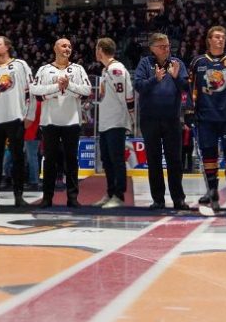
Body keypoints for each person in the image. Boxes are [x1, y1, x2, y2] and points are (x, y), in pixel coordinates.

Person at [186, 26, 226, 211]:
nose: (220, 40)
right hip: (206, 117)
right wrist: (189, 110)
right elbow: (191, 88)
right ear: (209, 39)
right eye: (216, 37)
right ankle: (212, 190)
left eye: (223, 37)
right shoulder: (197, 62)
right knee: (209, 155)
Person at [32, 38, 91, 208]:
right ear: (55, 48)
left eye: (70, 46)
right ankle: (47, 198)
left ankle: (72, 198)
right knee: (49, 160)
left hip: (72, 122)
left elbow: (87, 90)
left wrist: (69, 85)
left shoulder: (78, 69)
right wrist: (57, 88)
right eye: (64, 45)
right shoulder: (44, 69)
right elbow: (36, 90)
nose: (68, 48)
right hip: (49, 122)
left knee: (71, 161)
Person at [133, 33, 190, 210]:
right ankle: (158, 199)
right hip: (149, 119)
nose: (166, 49)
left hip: (172, 119)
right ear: (152, 48)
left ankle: (178, 198)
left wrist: (175, 76)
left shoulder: (177, 64)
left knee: (175, 161)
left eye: (167, 46)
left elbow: (187, 87)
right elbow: (138, 86)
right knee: (154, 160)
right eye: (162, 46)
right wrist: (154, 79)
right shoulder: (145, 63)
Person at [0, 36, 33, 208]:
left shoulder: (21, 65)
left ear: (7, 46)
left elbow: (31, 91)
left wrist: (29, 115)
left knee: (18, 158)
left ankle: (19, 196)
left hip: (15, 118)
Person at [93, 38, 134, 210]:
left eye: (96, 48)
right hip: (106, 121)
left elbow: (126, 95)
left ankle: (119, 195)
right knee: (107, 160)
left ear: (101, 50)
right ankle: (110, 193)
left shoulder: (116, 69)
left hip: (115, 121)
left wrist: (129, 117)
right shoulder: (106, 70)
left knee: (116, 159)